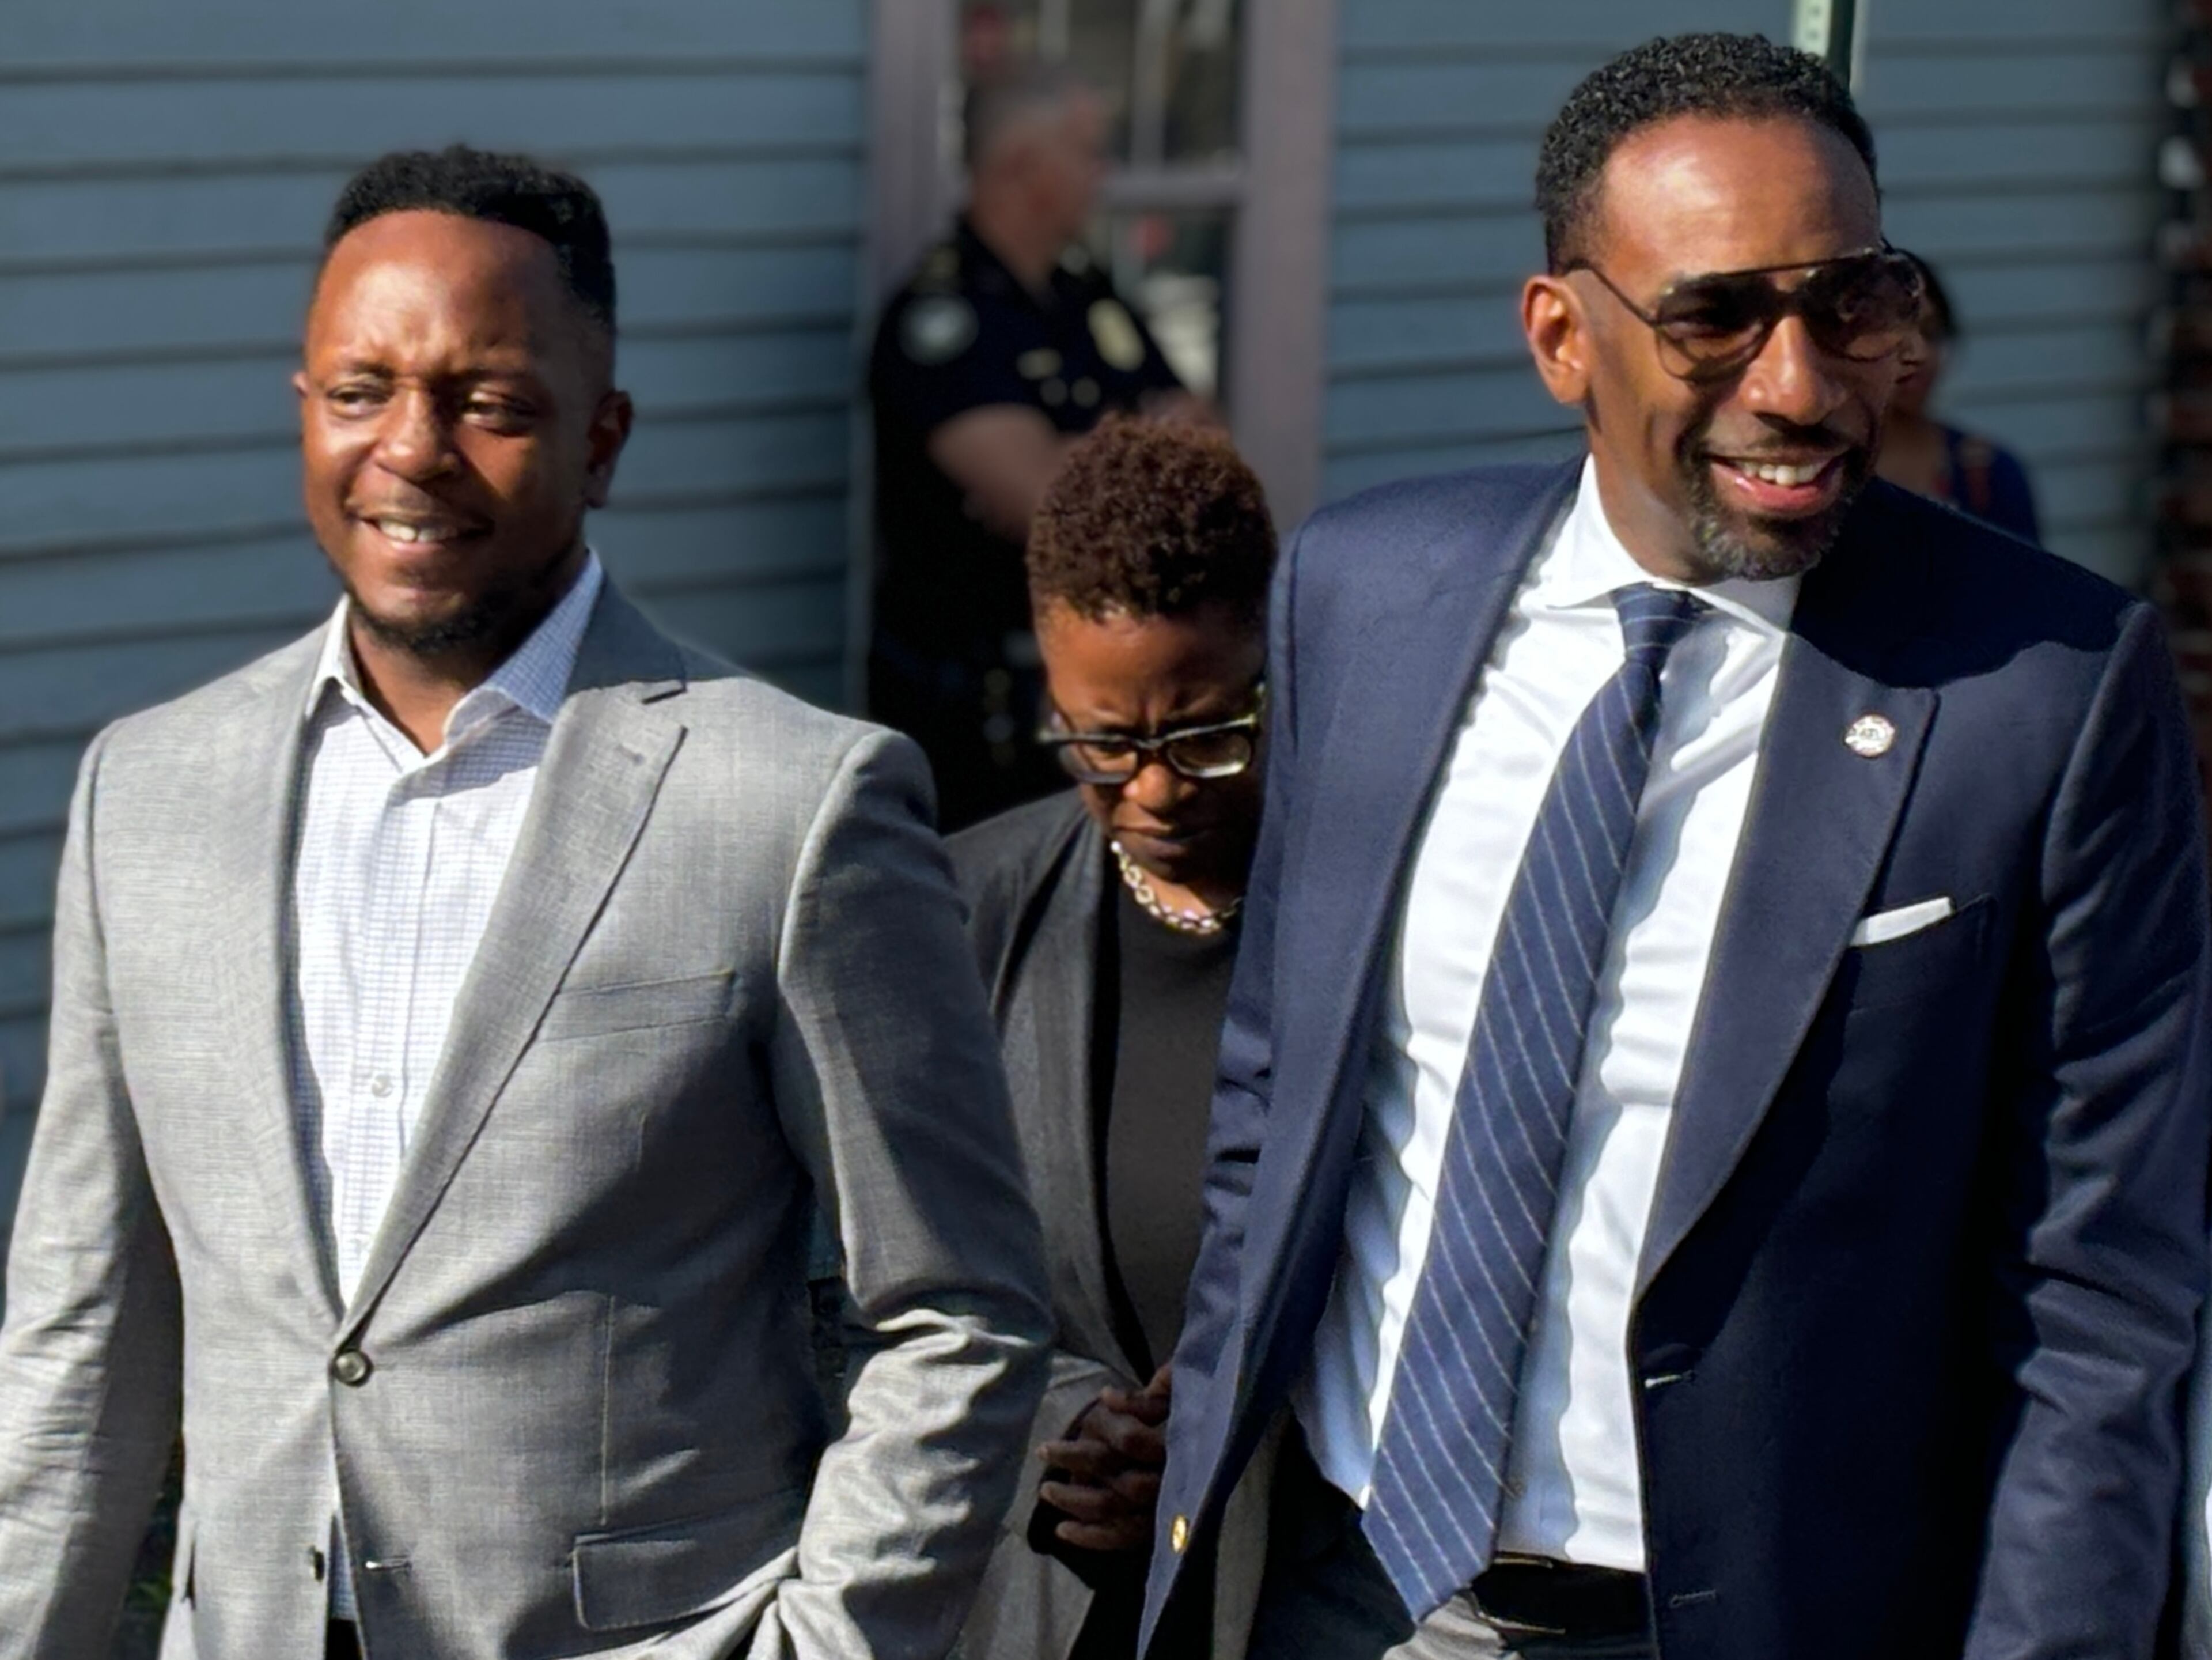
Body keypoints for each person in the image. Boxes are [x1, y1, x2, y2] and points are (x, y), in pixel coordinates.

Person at [1140, 34, 2210, 1660]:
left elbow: (2104, 1294)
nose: (1800, 383)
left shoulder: (2043, 689)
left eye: (1852, 302)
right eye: (1717, 317)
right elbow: (1278, 1098)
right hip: (1340, 1594)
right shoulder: (1362, 595)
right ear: (1562, 335)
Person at [0, 146, 1050, 1659]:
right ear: (303, 408)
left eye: (489, 403)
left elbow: (960, 1311)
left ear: (601, 438)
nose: (411, 449)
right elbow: (80, 1323)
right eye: (360, 391)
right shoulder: (144, 795)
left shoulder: (791, 800)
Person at [946, 417, 1274, 1660]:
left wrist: (1220, 1448)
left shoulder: (1378, 919)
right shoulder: (967, 916)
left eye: (1206, 735)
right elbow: (868, 1291)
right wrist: (1068, 1436)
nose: (1155, 790)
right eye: (1105, 743)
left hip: (1314, 1599)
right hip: (1046, 1608)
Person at [868, 62, 1198, 832]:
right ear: (1023, 165)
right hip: (975, 715)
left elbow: (1204, 435)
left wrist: (1087, 450)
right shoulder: (945, 318)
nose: (1103, 174)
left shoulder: (1086, 295)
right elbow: (1046, 505)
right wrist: (1138, 443)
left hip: (1092, 695)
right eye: (1086, 152)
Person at [1873, 250, 2041, 543]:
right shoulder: (1821, 473)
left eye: (1932, 332)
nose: (1919, 353)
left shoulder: (1988, 472)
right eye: (1894, 333)